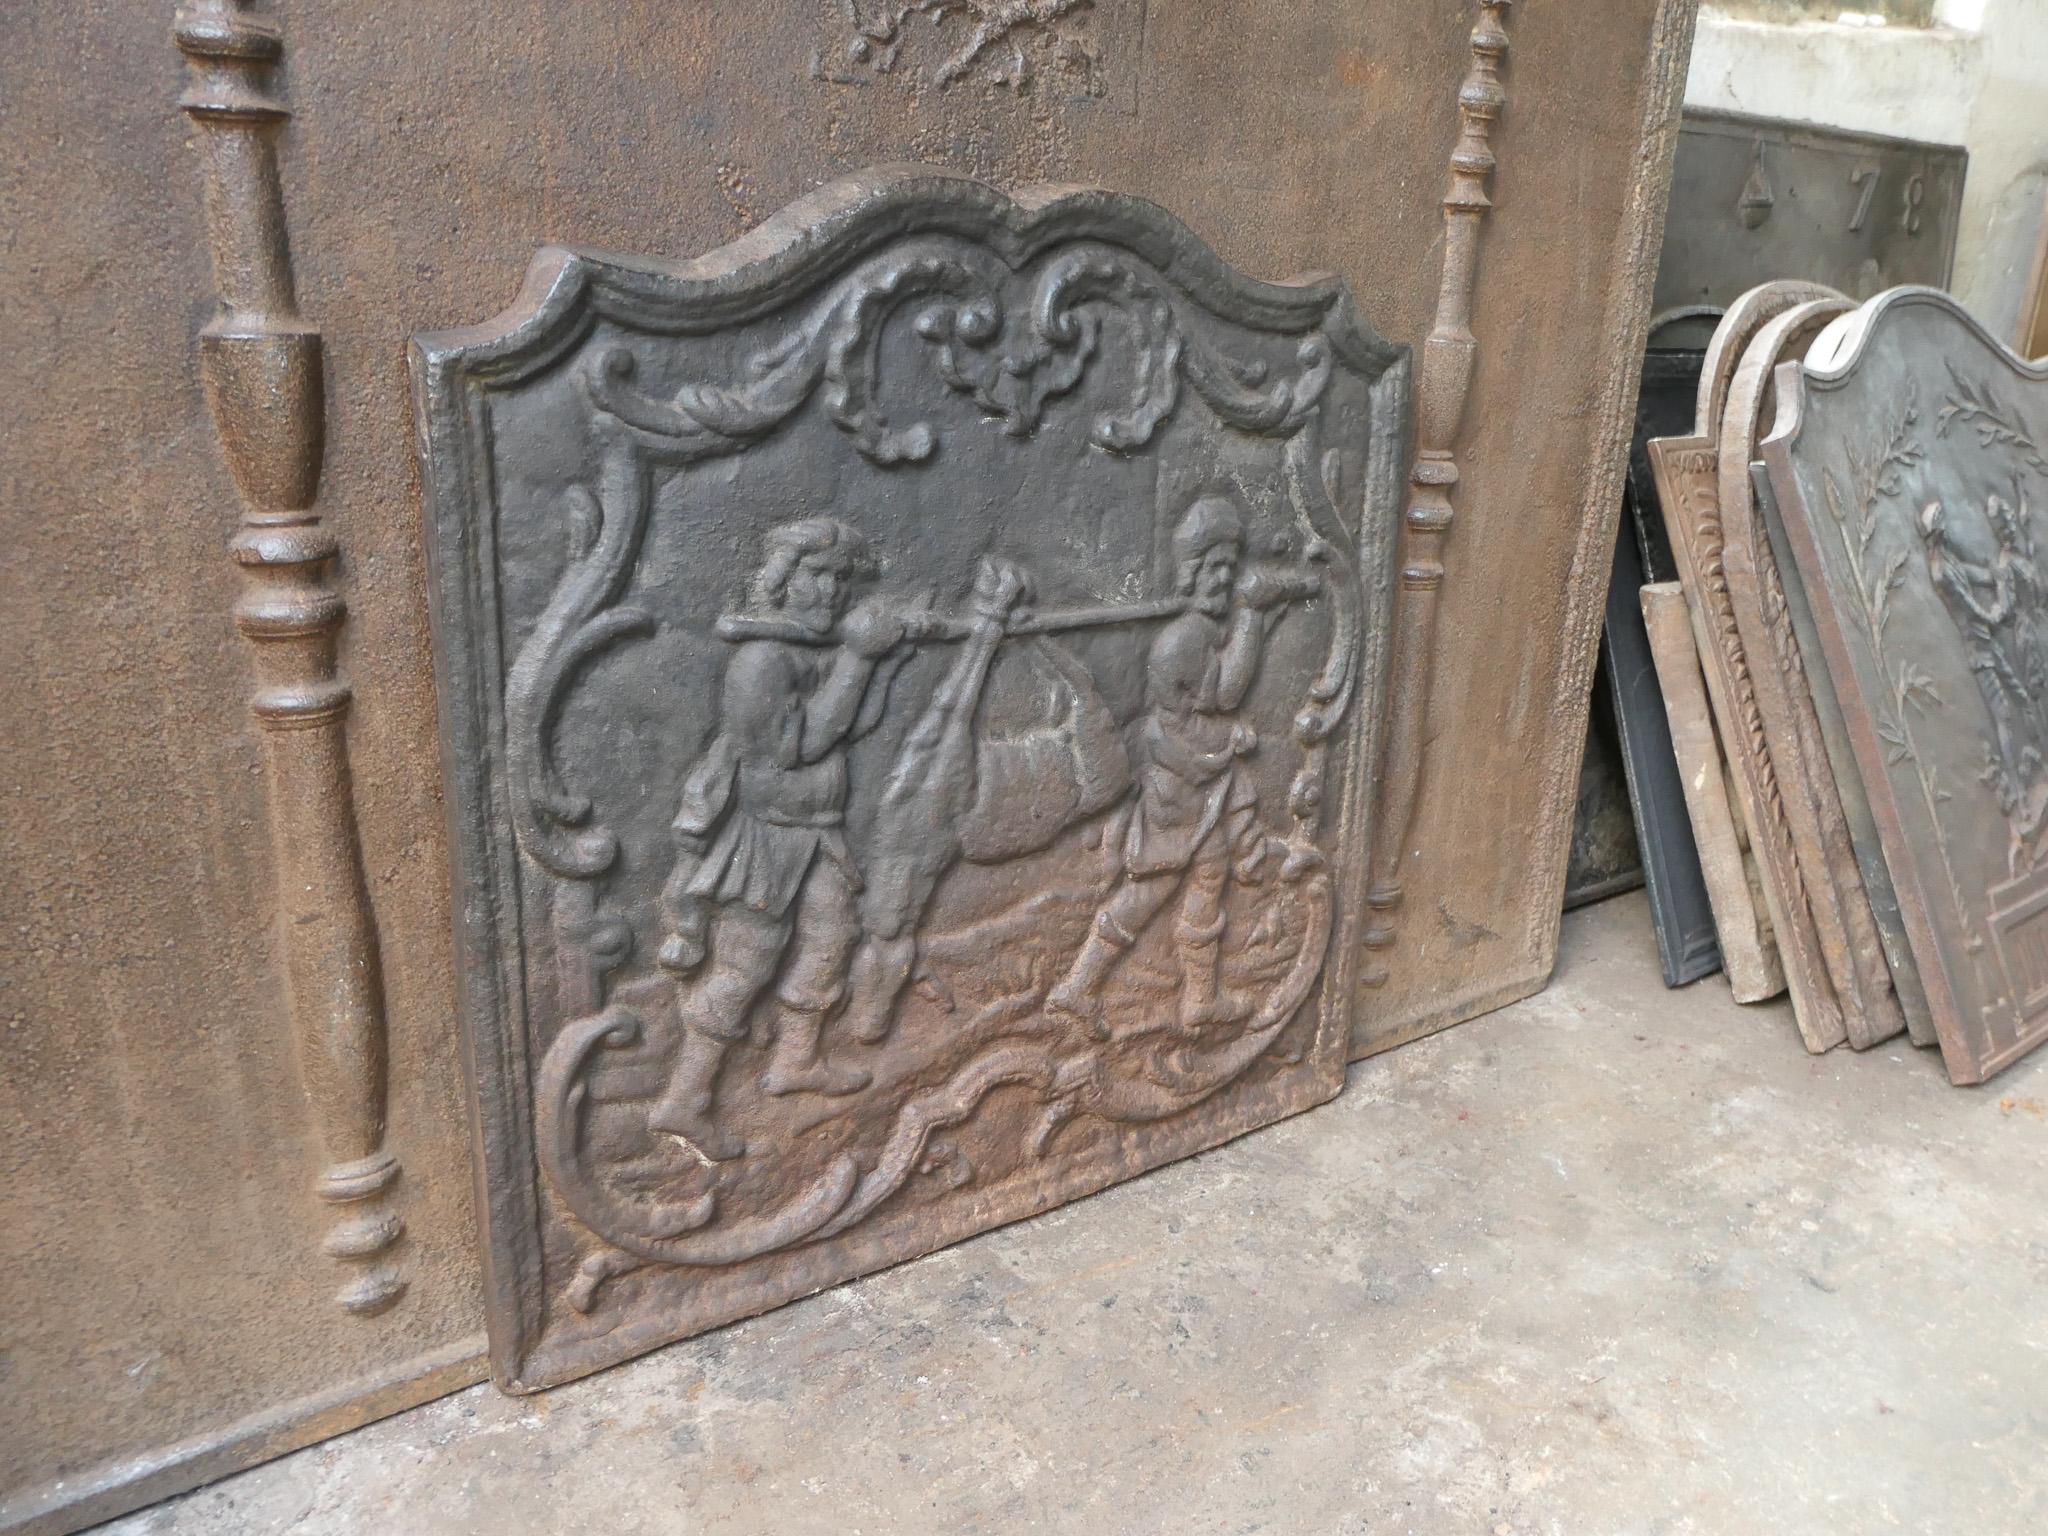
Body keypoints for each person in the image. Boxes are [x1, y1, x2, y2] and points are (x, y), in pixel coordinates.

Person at [648, 518, 911, 1161]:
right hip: (765, 841)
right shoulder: (761, 660)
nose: (831, 591)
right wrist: (859, 658)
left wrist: (881, 660)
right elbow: (800, 747)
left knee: (831, 938)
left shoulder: (811, 650)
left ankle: (796, 1061)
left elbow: (854, 726)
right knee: (747, 965)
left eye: (841, 579)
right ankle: (685, 1098)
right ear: (784, 578)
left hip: (818, 834)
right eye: (817, 575)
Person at [1043, 494, 1304, 1037]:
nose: (1222, 579)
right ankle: (1077, 988)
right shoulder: (1180, 641)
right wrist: (1252, 619)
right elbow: (1225, 695)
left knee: (1210, 877)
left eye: (1229, 568)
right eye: (1212, 568)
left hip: (1200, 786)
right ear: (1190, 571)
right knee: (1153, 889)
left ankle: (1200, 1001)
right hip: (1179, 789)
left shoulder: (1201, 631)